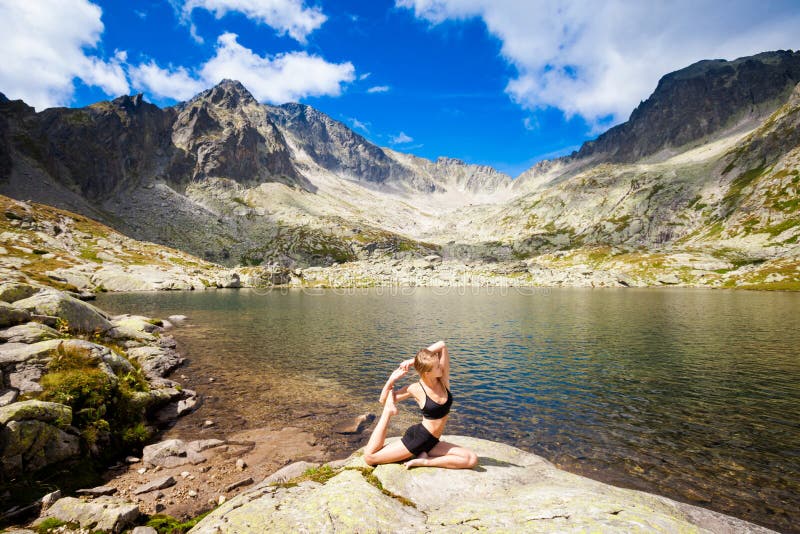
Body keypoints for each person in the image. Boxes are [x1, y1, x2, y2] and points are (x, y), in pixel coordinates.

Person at [363, 340, 478, 469]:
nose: (441, 366)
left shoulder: (443, 380)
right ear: (427, 373)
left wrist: (413, 361)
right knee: (370, 458)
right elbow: (383, 400)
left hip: (432, 442)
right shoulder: (416, 388)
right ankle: (388, 413)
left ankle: (425, 460)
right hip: (418, 438)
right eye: (437, 366)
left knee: (471, 459)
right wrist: (391, 380)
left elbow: (442, 345)